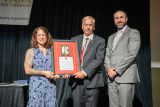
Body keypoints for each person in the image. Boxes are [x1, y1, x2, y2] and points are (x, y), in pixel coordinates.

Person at [104, 10, 141, 107]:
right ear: (114, 20)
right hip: (111, 78)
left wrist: (116, 70)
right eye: (116, 18)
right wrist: (108, 70)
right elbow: (107, 55)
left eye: (121, 17)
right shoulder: (110, 37)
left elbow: (132, 54)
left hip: (126, 77)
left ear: (126, 19)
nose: (119, 20)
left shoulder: (133, 33)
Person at [71, 16, 105, 107]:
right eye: (86, 25)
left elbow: (99, 59)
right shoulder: (74, 40)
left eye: (90, 25)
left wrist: (85, 72)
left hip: (92, 81)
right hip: (76, 81)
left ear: (94, 27)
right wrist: (67, 71)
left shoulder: (100, 41)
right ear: (82, 26)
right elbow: (69, 58)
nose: (88, 27)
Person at [24, 26, 59, 107]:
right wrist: (43, 73)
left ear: (47, 36)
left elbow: (57, 69)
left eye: (43, 35)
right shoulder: (31, 51)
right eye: (39, 35)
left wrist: (61, 74)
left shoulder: (53, 51)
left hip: (51, 86)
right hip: (36, 87)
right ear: (35, 37)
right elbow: (27, 70)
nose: (42, 37)